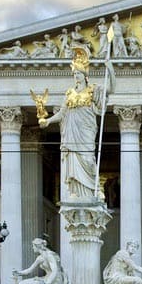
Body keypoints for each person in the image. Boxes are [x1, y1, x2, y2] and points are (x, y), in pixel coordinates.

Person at [38, 46, 115, 202]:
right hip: (71, 133)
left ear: (85, 75)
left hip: (86, 131)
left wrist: (111, 70)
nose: (76, 77)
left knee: (88, 160)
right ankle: (75, 192)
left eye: (78, 74)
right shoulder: (69, 94)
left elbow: (110, 89)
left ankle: (95, 188)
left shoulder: (93, 90)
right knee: (73, 161)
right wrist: (48, 121)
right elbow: (62, 113)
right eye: (74, 74)